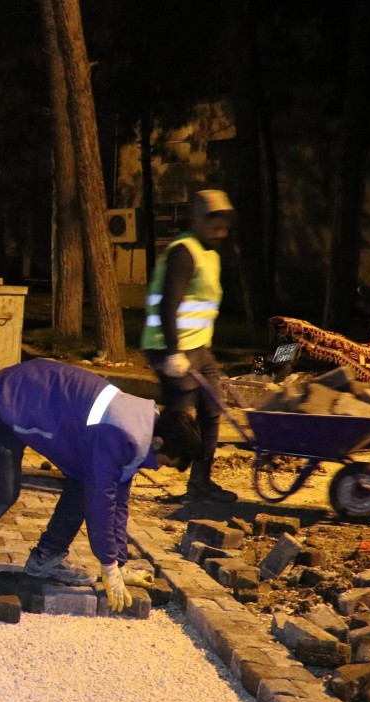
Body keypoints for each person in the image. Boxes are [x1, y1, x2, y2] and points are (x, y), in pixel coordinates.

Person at [0, 359, 200, 613]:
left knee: (83, 481)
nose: (159, 467)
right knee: (3, 491)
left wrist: (119, 565)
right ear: (159, 442)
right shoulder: (118, 433)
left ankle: (46, 558)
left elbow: (118, 501)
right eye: (166, 461)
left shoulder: (140, 429)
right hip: (2, 404)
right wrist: (109, 566)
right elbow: (101, 502)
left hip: (34, 402)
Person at [141, 189, 237, 502]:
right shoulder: (184, 251)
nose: (219, 225)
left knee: (211, 411)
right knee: (177, 421)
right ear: (196, 218)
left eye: (223, 218)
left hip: (198, 348)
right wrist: (172, 352)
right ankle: (124, 458)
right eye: (212, 218)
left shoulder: (210, 254)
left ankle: (199, 481)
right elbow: (169, 304)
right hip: (171, 346)